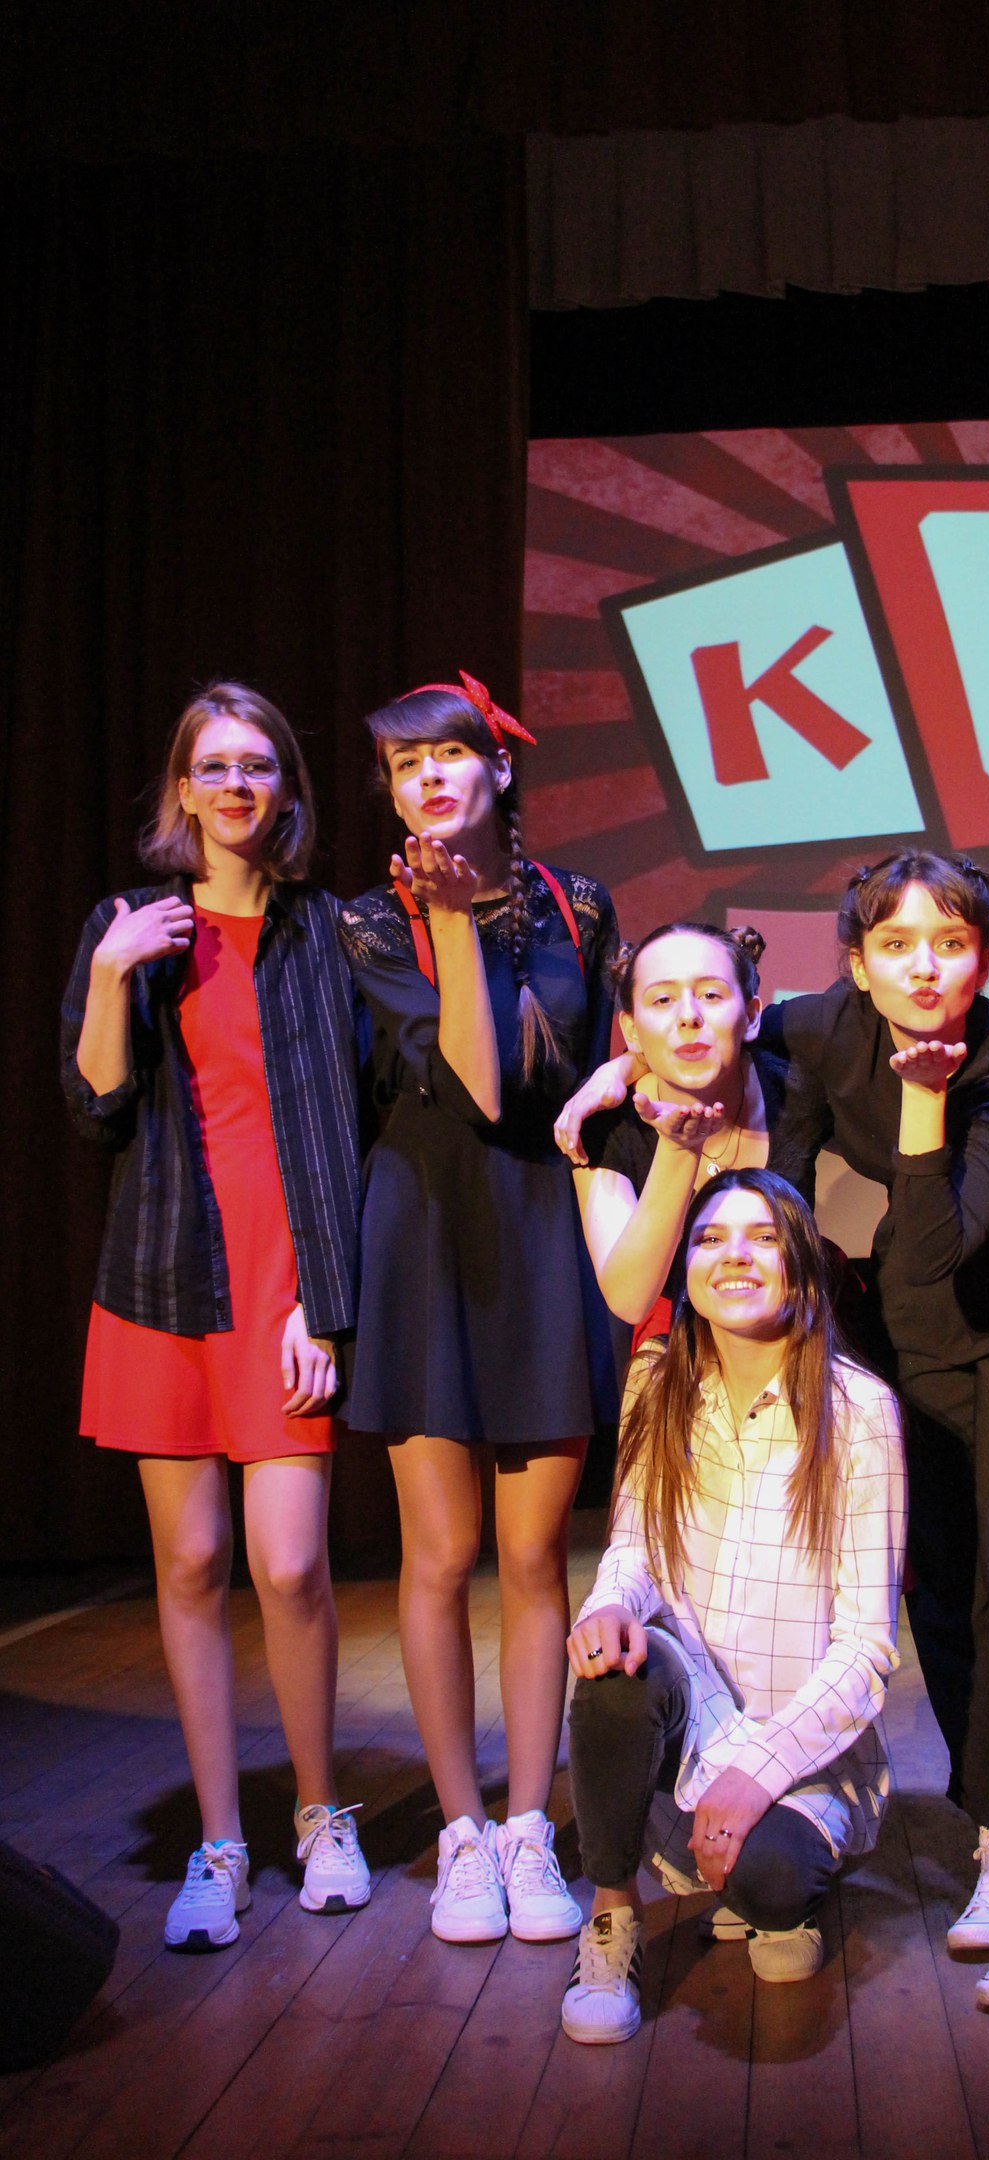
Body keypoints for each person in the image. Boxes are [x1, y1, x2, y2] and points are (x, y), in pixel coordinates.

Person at [559, 852, 989, 2012]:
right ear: (856, 966)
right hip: (921, 1323)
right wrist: (614, 1075)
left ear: (986, 955)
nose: (925, 967)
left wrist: (923, 1098)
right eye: (896, 945)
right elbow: (709, 1044)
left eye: (950, 942)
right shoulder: (815, 1028)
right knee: (948, 1587)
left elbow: (938, 1241)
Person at [61, 682, 370, 1951]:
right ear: (182, 789)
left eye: (260, 766)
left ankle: (321, 1816)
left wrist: (328, 1301)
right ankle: (221, 1840)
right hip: (162, 1277)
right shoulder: (128, 926)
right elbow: (96, 1107)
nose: (238, 785)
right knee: (190, 1564)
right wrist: (109, 976)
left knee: (289, 1565)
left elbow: (351, 1126)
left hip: (286, 1286)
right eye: (216, 766)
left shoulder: (327, 932)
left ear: (285, 789)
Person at [338, 672, 618, 1946]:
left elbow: (580, 1079)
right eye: (407, 767)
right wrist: (450, 926)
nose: (430, 779)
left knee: (533, 1555)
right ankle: (461, 1831)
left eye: (450, 754)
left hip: (542, 1227)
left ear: (500, 768)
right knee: (441, 1555)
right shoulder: (369, 923)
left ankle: (527, 1826)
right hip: (424, 1236)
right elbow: (468, 1081)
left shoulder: (578, 904)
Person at [559, 1169, 906, 2044]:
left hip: (798, 1749)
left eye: (762, 1237)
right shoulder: (659, 1383)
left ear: (802, 1265)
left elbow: (867, 1650)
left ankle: (769, 1888)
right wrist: (608, 1605)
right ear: (686, 1270)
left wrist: (758, 1774)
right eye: (710, 1239)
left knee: (772, 1883)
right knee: (610, 1677)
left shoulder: (860, 1411)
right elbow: (633, 1547)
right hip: (696, 1715)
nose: (734, 1256)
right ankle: (612, 1916)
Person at [572, 921, 824, 1344]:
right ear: (631, 1030)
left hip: (794, 1333)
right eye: (663, 999)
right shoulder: (605, 1119)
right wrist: (677, 1148)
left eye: (710, 995)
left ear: (751, 1015)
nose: (689, 1016)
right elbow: (629, 1299)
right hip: (679, 1345)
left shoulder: (797, 1090)